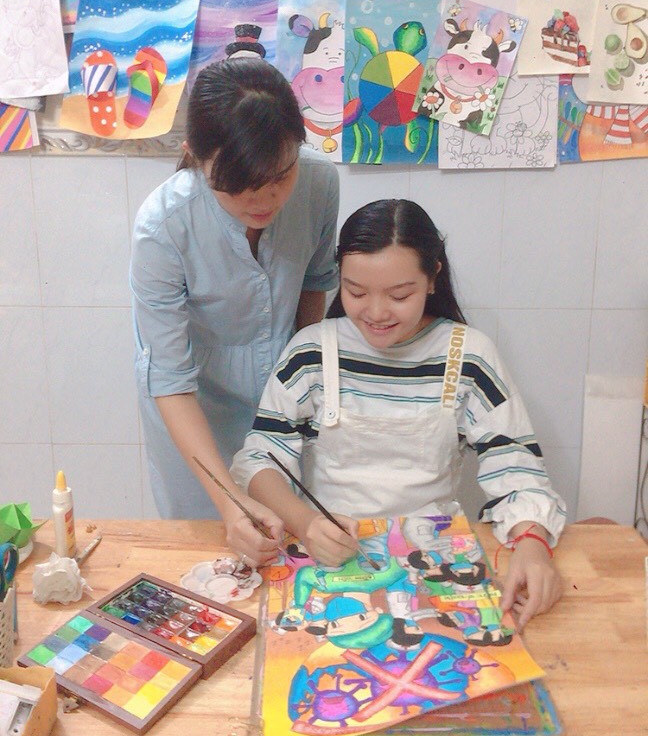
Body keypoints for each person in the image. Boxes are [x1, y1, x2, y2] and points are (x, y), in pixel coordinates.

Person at [231, 199, 566, 628]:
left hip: (435, 561)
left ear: (433, 277)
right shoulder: (313, 351)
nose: (376, 313)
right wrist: (306, 522)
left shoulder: (468, 355)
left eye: (399, 295)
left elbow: (517, 466)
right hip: (331, 557)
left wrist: (533, 546)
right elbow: (261, 458)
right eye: (356, 292)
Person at [130, 57, 339, 564]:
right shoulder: (164, 227)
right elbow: (170, 378)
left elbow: (314, 287)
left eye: (280, 175)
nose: (265, 197)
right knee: (211, 557)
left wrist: (301, 388)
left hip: (282, 401)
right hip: (195, 409)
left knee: (293, 549)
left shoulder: (319, 183)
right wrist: (229, 502)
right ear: (195, 155)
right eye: (239, 183)